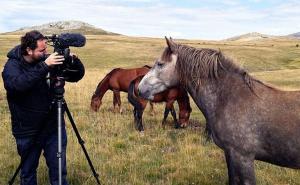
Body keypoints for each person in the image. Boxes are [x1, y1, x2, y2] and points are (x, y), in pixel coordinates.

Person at [2, 30, 85, 185]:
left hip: (53, 127)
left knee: (59, 172)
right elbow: (17, 85)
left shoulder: (46, 60)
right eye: (41, 51)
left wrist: (73, 61)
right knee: (27, 173)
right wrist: (45, 66)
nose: (45, 53)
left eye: (46, 49)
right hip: (27, 130)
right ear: (29, 50)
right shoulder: (13, 65)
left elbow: (76, 76)